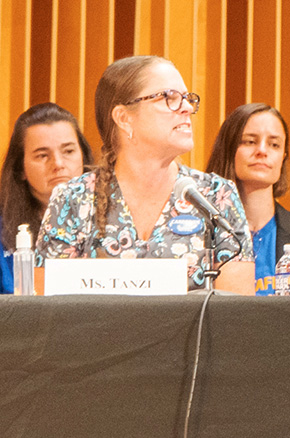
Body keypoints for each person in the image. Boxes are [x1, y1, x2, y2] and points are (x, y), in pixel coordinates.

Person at [35, 55, 254, 292]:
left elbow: (237, 316)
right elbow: (44, 315)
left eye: (187, 98)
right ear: (124, 118)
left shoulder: (217, 197)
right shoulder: (73, 200)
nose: (187, 108)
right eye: (169, 97)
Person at [207, 103, 290, 295]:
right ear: (229, 150)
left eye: (274, 144)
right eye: (250, 141)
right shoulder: (199, 233)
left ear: (283, 157)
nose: (262, 151)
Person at [0, 103, 94, 293]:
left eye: (68, 151)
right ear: (20, 169)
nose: (58, 164)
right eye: (43, 155)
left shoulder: (113, 219)